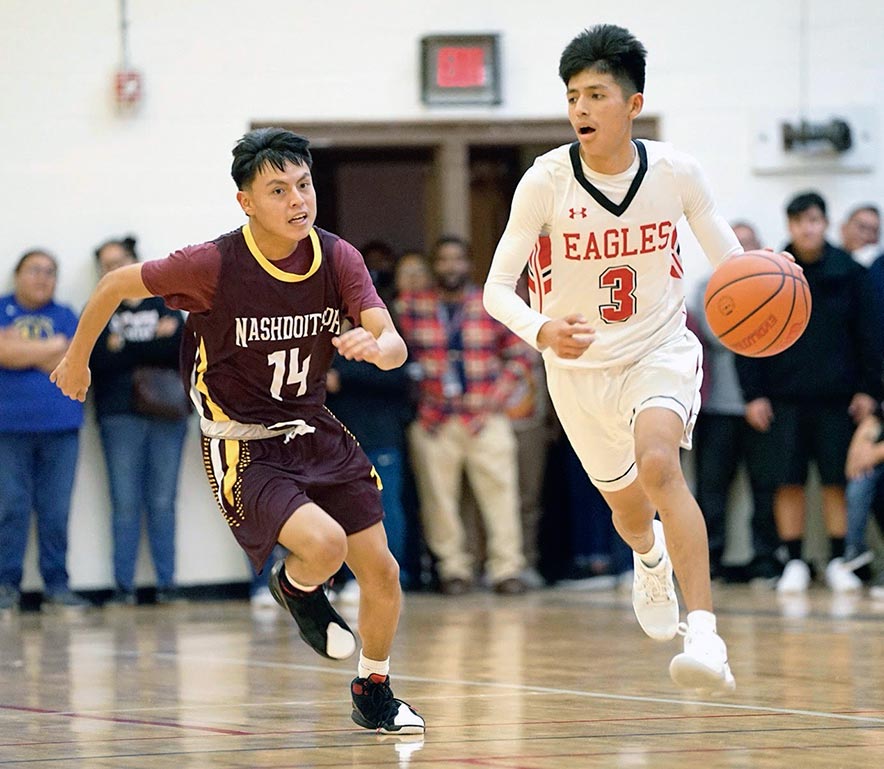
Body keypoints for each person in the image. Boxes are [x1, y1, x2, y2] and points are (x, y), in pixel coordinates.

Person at [51, 127, 424, 734]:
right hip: (245, 443)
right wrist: (76, 358)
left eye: (303, 185)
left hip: (316, 429)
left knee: (382, 572)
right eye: (278, 190)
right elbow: (114, 284)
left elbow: (395, 344)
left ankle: (373, 688)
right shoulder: (212, 264)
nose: (297, 200)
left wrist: (375, 344)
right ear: (246, 203)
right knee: (324, 546)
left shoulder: (338, 257)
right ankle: (296, 587)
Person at [484, 24, 747, 693]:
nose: (580, 109)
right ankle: (649, 557)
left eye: (596, 95)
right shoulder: (544, 181)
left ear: (632, 104)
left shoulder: (677, 174)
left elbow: (736, 272)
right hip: (577, 371)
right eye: (573, 96)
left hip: (660, 348)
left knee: (661, 463)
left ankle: (708, 636)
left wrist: (766, 299)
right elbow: (494, 290)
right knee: (628, 511)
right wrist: (542, 329)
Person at [736, 191, 882, 594]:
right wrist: (754, 394)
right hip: (782, 399)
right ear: (789, 225)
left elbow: (871, 335)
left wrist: (869, 390)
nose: (807, 228)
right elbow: (747, 336)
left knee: (837, 480)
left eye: (814, 220)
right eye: (800, 221)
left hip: (839, 400)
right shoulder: (769, 271)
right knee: (787, 482)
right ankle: (795, 560)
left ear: (825, 222)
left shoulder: (851, 273)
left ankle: (838, 559)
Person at [397, 235, 532, 596]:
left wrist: (494, 398)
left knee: (501, 494)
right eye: (442, 260)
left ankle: (507, 569)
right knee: (438, 499)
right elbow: (395, 357)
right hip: (434, 417)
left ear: (468, 265)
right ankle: (453, 569)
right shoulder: (411, 306)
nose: (450, 267)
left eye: (457, 260)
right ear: (433, 266)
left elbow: (520, 354)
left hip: (485, 416)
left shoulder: (490, 304)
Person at [90, 236, 190, 606]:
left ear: (136, 261)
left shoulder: (166, 302)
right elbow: (97, 361)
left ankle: (168, 585)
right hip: (118, 415)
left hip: (167, 412)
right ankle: (124, 588)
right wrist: (150, 344)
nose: (114, 269)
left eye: (120, 261)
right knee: (124, 502)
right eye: (107, 265)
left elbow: (180, 350)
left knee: (163, 501)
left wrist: (125, 347)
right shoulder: (99, 307)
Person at [690, 222, 781, 583]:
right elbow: (724, 333)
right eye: (736, 244)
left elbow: (778, 334)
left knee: (765, 487)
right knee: (711, 490)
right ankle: (708, 559)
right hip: (716, 407)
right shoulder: (705, 289)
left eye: (749, 244)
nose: (741, 250)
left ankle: (765, 558)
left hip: (762, 406)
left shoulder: (776, 286)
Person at [0, 250, 89, 613]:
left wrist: (20, 349)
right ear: (17, 274)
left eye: (50, 272)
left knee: (56, 511)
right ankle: (6, 586)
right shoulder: (3, 308)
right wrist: (53, 346)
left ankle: (57, 586)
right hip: (9, 429)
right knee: (11, 508)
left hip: (61, 428)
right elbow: (3, 354)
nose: (43, 278)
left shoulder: (66, 315)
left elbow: (73, 360)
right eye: (35, 270)